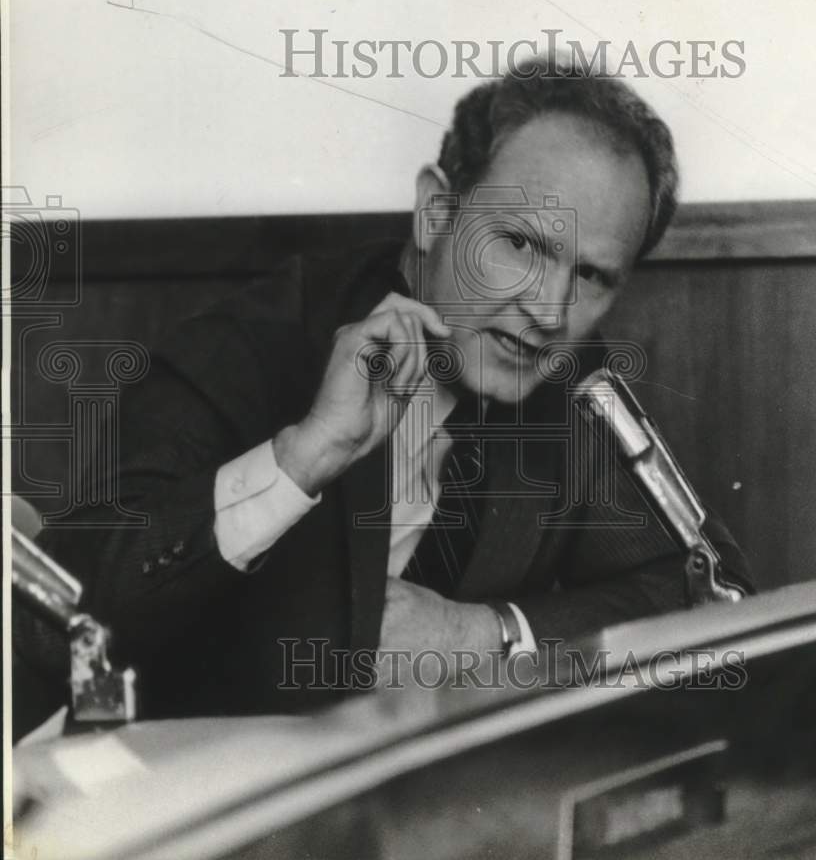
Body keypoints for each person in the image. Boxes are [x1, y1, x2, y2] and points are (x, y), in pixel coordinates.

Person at [26, 57, 753, 721]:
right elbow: (56, 623)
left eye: (592, 276)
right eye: (522, 245)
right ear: (436, 212)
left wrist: (483, 634)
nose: (550, 310)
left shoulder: (568, 377)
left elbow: (714, 593)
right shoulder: (251, 344)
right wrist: (299, 457)